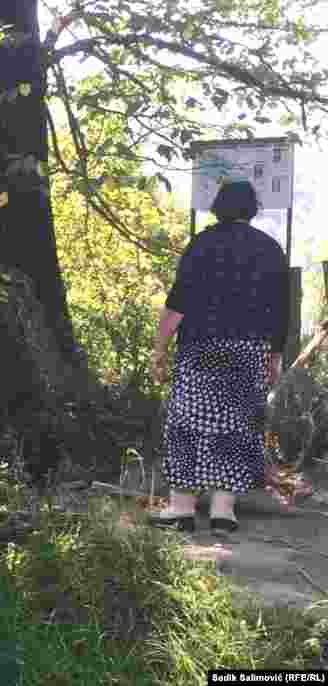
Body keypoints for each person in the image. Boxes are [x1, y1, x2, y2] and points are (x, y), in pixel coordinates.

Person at [149, 180, 289, 536]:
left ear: (219, 206)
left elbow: (178, 302)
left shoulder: (202, 244)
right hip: (249, 349)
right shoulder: (270, 249)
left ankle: (181, 509)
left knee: (187, 423)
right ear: (252, 208)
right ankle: (223, 512)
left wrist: (160, 348)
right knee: (238, 426)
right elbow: (280, 311)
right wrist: (274, 356)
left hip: (202, 346)